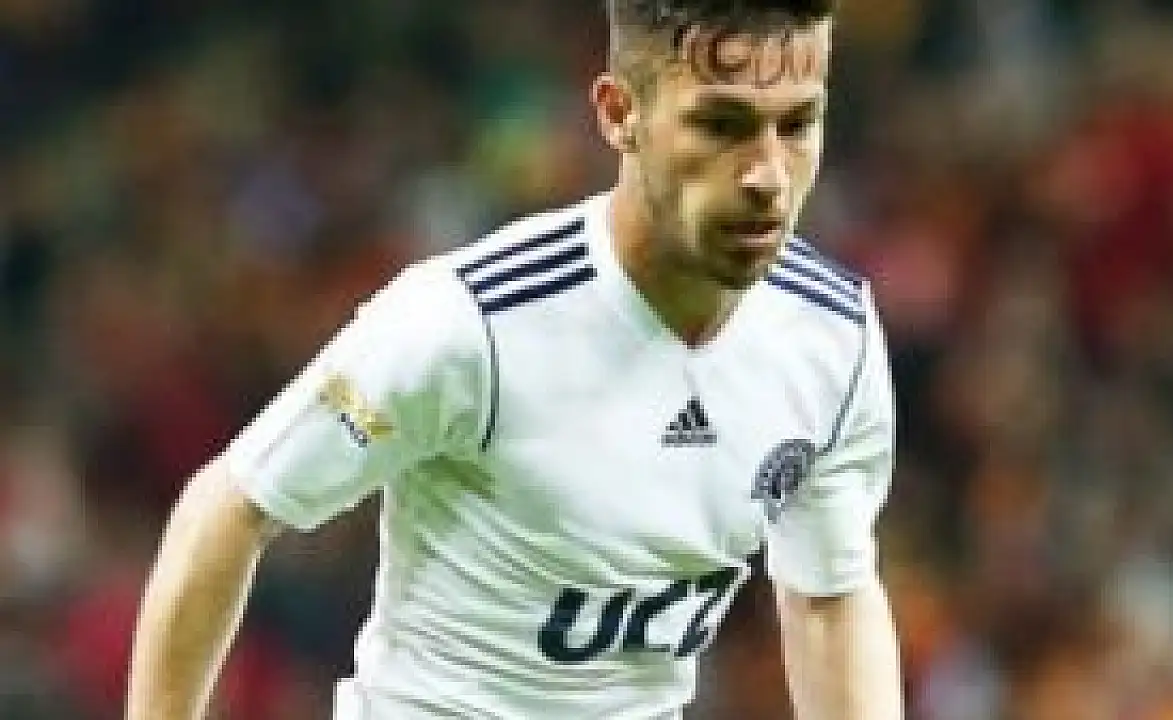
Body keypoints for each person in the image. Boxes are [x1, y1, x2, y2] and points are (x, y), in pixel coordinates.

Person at [126, 0, 904, 717]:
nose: (767, 174)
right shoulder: (471, 324)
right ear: (619, 114)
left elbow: (829, 596)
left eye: (797, 124)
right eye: (721, 125)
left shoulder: (832, 336)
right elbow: (230, 507)